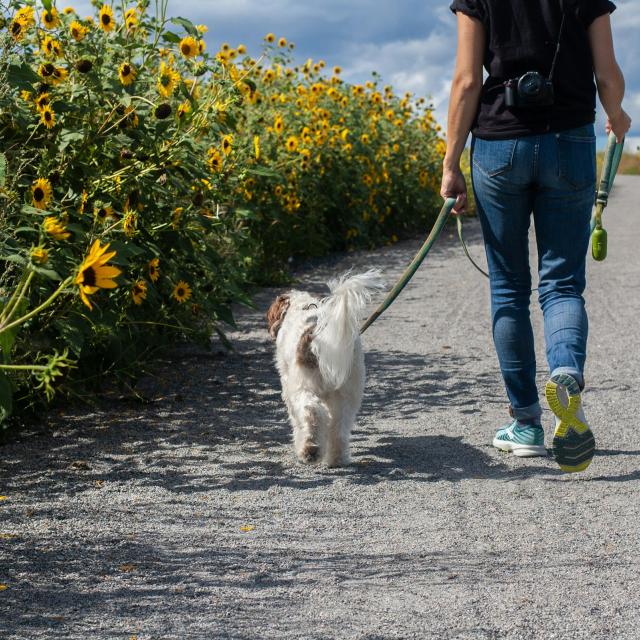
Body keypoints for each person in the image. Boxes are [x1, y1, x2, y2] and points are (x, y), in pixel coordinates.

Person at [440, 0, 631, 472]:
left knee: (508, 287)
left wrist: (450, 163)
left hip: (499, 144)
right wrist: (617, 113)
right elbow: (607, 73)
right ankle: (566, 372)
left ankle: (526, 425)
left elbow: (466, 80)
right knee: (562, 283)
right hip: (569, 140)